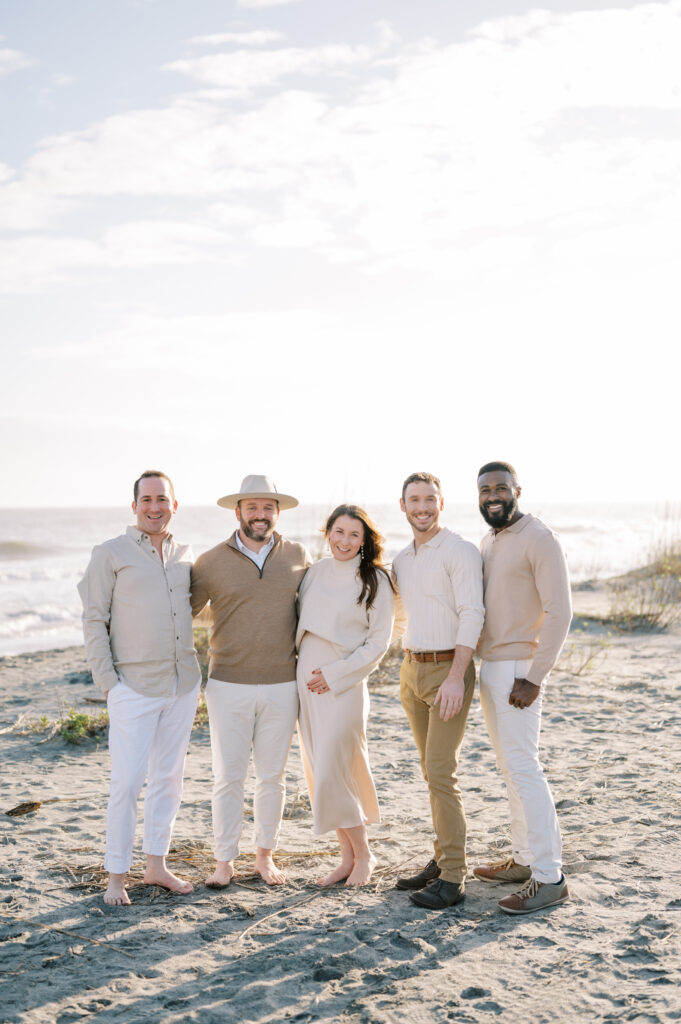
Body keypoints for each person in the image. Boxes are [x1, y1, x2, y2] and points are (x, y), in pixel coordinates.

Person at [78, 471, 201, 906]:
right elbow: (94, 618)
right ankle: (116, 876)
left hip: (182, 683)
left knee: (169, 778)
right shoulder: (109, 553)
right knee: (127, 783)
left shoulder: (186, 555)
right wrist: (108, 682)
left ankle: (156, 865)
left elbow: (191, 606)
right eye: (146, 499)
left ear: (174, 505)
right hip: (132, 686)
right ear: (134, 506)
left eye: (162, 499)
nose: (155, 507)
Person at [190, 475, 312, 887]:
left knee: (273, 776)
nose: (260, 515)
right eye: (252, 508)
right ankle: (224, 861)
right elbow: (178, 613)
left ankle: (264, 857)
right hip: (228, 684)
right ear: (237, 511)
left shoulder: (299, 556)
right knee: (228, 776)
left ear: (277, 512)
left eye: (267, 508)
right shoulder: (209, 562)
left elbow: (320, 608)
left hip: (283, 683)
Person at [474, 461, 572, 914]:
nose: (493, 495)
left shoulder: (539, 537)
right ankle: (523, 859)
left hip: (519, 670)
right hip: (491, 667)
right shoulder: (489, 540)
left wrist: (535, 676)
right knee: (509, 767)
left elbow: (560, 613)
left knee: (524, 767)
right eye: (485, 489)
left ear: (517, 490)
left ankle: (549, 876)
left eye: (501, 488)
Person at [392, 472, 484, 910]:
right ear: (403, 505)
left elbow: (473, 613)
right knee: (431, 773)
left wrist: (456, 676)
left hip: (450, 671)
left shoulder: (460, 551)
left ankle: (452, 877)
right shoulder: (402, 560)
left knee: (442, 773)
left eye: (430, 499)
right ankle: (440, 857)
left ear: (441, 504)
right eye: (415, 500)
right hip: (412, 671)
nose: (422, 507)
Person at [296, 505, 395, 887]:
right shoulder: (315, 573)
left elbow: (378, 643)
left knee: (337, 767)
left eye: (355, 535)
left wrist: (335, 675)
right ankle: (346, 858)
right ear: (328, 532)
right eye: (339, 532)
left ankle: (365, 855)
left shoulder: (376, 580)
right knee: (321, 768)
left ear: (365, 540)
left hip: (345, 685)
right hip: (306, 684)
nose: (345, 541)